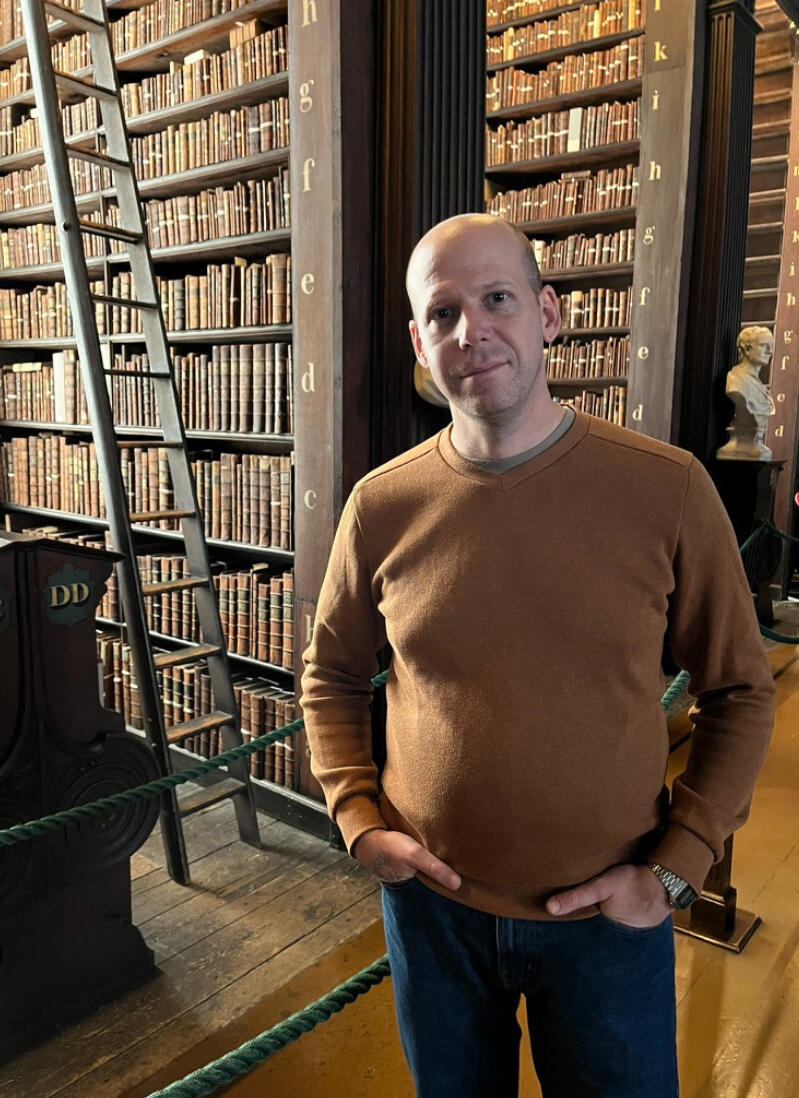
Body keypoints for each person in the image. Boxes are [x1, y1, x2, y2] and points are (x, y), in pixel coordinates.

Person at [300, 213, 775, 1098]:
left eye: (496, 300)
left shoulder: (665, 489)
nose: (469, 332)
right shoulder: (381, 506)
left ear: (548, 315)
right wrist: (357, 817)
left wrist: (676, 869)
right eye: (441, 314)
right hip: (430, 914)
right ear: (418, 342)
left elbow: (740, 692)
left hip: (608, 921)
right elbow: (328, 674)